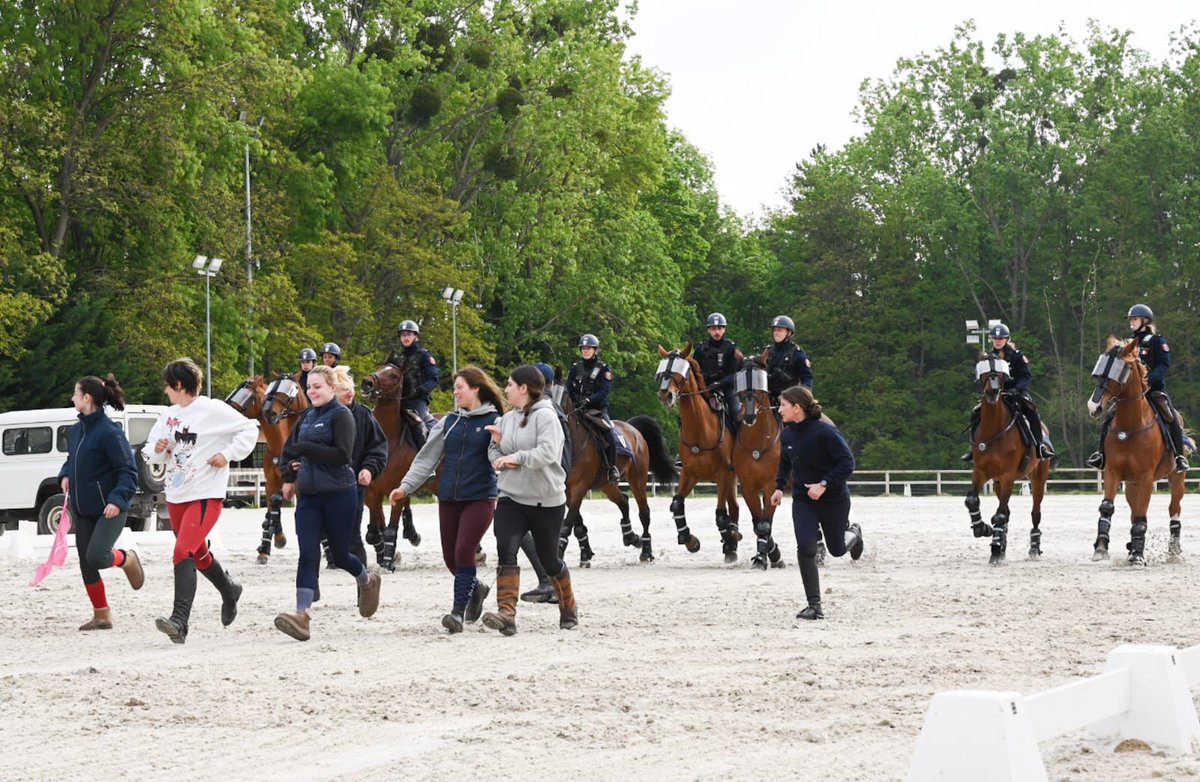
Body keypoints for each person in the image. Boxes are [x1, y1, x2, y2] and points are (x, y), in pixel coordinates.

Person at [143, 358, 259, 644]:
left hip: (205, 493)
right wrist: (158, 451)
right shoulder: (167, 415)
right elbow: (150, 452)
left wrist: (228, 454)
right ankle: (230, 589)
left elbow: (250, 428)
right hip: (177, 494)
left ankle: (179, 621)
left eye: (168, 386)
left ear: (179, 385)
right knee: (197, 553)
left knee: (182, 551)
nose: (166, 391)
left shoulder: (212, 409)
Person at [390, 366, 504, 633]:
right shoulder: (449, 422)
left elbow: (497, 455)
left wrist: (501, 449)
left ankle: (457, 613)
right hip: (449, 497)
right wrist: (404, 487)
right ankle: (476, 588)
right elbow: (426, 459)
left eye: (459, 387)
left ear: (475, 388)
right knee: (450, 558)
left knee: (465, 551)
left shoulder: (495, 420)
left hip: (480, 497)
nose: (455, 393)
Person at [274, 366, 382, 641]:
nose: (312, 391)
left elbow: (342, 455)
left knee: (340, 555)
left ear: (332, 389)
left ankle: (366, 580)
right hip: (309, 496)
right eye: (309, 387)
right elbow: (290, 451)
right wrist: (289, 473)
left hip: (340, 493)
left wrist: (306, 451)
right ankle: (303, 616)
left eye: (318, 386)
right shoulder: (307, 416)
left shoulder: (342, 415)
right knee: (308, 554)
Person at [481, 365, 576, 635]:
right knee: (506, 548)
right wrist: (498, 453)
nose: (506, 388)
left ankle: (568, 605)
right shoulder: (507, 418)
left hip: (546, 500)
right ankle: (506, 614)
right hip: (512, 496)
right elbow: (493, 450)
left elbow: (547, 452)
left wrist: (517, 457)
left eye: (510, 384)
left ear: (524, 388)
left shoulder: (547, 416)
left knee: (549, 560)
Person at [771, 385, 863, 620]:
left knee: (837, 549)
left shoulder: (825, 432)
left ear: (797, 407)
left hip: (834, 499)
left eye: (782, 405)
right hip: (803, 500)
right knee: (806, 548)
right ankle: (815, 605)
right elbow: (785, 462)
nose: (779, 409)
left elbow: (847, 463)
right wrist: (779, 487)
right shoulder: (788, 433)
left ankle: (854, 532)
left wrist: (823, 484)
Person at [59, 374, 143, 631]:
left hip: (110, 508)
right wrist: (65, 474)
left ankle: (126, 558)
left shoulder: (110, 432)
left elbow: (129, 472)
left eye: (75, 393)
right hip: (82, 507)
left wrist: (117, 501)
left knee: (97, 556)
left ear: (87, 398)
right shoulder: (76, 430)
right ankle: (102, 615)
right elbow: (73, 458)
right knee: (86, 561)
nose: (72, 398)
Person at [1087, 304, 1188, 473]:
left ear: (1145, 321)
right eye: (1131, 319)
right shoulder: (1126, 344)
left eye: (1134, 319)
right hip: (1129, 394)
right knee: (1108, 420)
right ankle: (1101, 455)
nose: (1131, 322)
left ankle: (1178, 456)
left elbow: (1164, 364)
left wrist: (1150, 379)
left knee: (1171, 418)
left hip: (1153, 391)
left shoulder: (1157, 340)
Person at [962, 323, 1055, 462]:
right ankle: (973, 448)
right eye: (995, 338)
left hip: (1016, 392)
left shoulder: (1017, 356)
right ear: (992, 339)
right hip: (995, 394)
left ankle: (1039, 446)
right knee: (976, 412)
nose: (998, 341)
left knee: (1031, 411)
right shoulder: (988, 357)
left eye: (1001, 338)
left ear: (1006, 339)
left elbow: (1026, 376)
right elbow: (982, 378)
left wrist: (1016, 388)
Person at [330, 367, 388, 565]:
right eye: (343, 388)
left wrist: (370, 468)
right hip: (322, 486)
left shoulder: (363, 414)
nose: (350, 392)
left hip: (353, 486)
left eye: (351, 387)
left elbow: (378, 446)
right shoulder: (313, 415)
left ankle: (364, 586)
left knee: (420, 424)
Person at [566, 334, 620, 484]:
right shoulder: (575, 368)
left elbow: (604, 391)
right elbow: (568, 387)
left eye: (588, 348)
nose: (585, 350)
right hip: (577, 409)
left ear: (595, 350)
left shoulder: (603, 369)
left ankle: (611, 468)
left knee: (609, 433)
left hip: (596, 410)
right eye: (583, 348)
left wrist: (589, 400)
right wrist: (575, 401)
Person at [385, 320, 440, 437]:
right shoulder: (398, 358)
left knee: (417, 428)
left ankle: (426, 450)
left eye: (409, 334)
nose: (405, 337)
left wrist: (418, 391)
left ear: (416, 336)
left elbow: (434, 379)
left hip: (418, 400)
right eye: (403, 334)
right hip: (399, 400)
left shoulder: (425, 355)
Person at [693, 313, 744, 432]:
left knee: (736, 412)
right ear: (708, 330)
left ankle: (739, 441)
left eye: (720, 328)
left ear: (724, 329)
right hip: (705, 388)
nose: (717, 332)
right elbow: (695, 370)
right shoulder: (700, 349)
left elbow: (737, 374)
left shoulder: (731, 348)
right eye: (713, 328)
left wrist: (719, 383)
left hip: (726, 388)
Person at [764, 315, 813, 406]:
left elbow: (807, 377)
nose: (776, 333)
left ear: (789, 332)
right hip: (768, 396)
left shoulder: (797, 353)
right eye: (774, 330)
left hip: (790, 398)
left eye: (780, 330)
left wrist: (803, 395)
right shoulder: (768, 352)